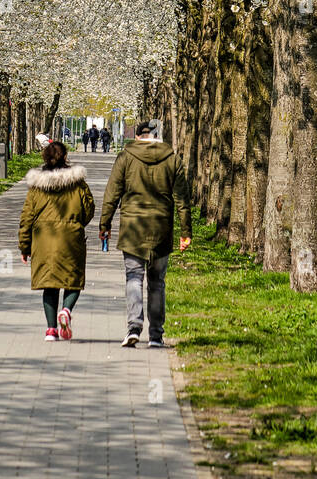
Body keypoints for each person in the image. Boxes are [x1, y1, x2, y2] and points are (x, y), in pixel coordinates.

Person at [99, 119, 191, 348]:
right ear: (157, 136)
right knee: (157, 282)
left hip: (133, 229)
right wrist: (185, 231)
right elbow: (181, 198)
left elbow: (112, 193)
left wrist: (105, 225)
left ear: (138, 136)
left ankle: (134, 327)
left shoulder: (125, 157)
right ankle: (157, 335)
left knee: (134, 277)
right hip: (161, 227)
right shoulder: (172, 158)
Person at [19, 139, 95, 341]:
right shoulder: (78, 183)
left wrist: (24, 246)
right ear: (65, 157)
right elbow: (89, 209)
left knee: (49, 284)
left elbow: (26, 217)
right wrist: (76, 223)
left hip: (43, 239)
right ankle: (67, 311)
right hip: (71, 238)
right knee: (73, 281)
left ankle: (51, 330)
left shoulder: (37, 187)